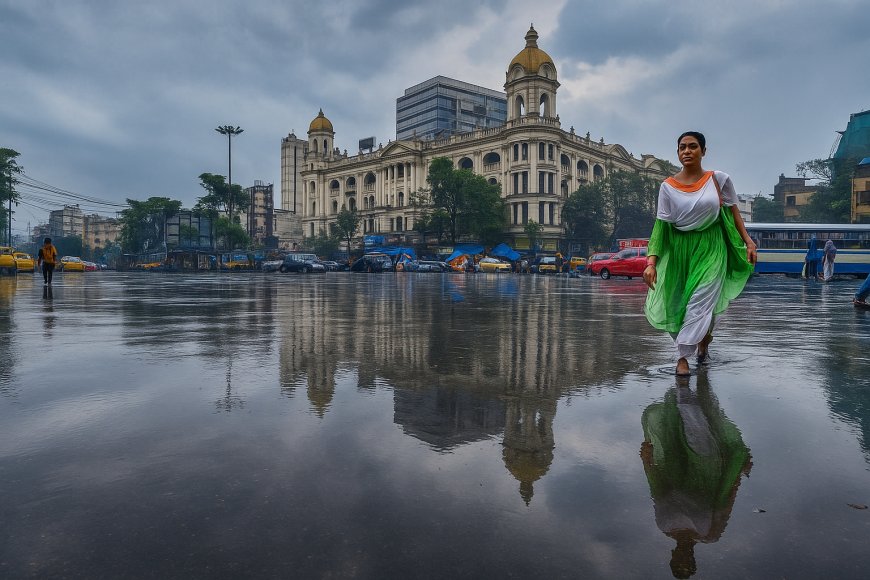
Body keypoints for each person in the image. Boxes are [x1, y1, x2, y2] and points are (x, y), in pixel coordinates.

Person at [643, 132, 757, 376]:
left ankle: (682, 357)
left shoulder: (719, 180)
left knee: (701, 299)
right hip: (680, 250)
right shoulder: (667, 187)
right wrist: (651, 262)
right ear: (677, 153)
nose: (687, 151)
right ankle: (703, 339)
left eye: (693, 146)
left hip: (712, 247)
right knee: (679, 303)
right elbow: (660, 227)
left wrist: (748, 242)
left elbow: (734, 213)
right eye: (682, 147)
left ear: (703, 151)